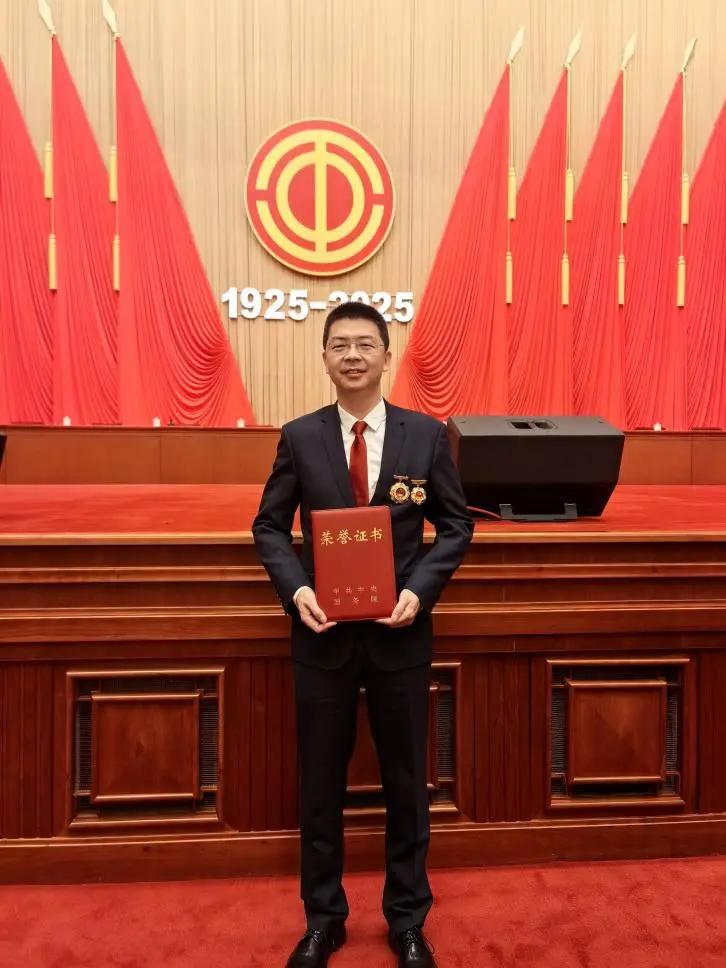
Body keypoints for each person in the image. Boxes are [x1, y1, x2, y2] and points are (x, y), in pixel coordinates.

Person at [252, 302, 473, 968]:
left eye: (365, 344)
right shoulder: (299, 437)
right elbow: (269, 526)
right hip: (322, 638)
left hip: (399, 637)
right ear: (325, 358)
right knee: (321, 787)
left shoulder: (425, 436)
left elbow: (456, 526)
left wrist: (418, 591)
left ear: (385, 356)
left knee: (407, 783)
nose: (353, 355)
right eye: (340, 345)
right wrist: (297, 591)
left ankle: (407, 921)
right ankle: (324, 921)